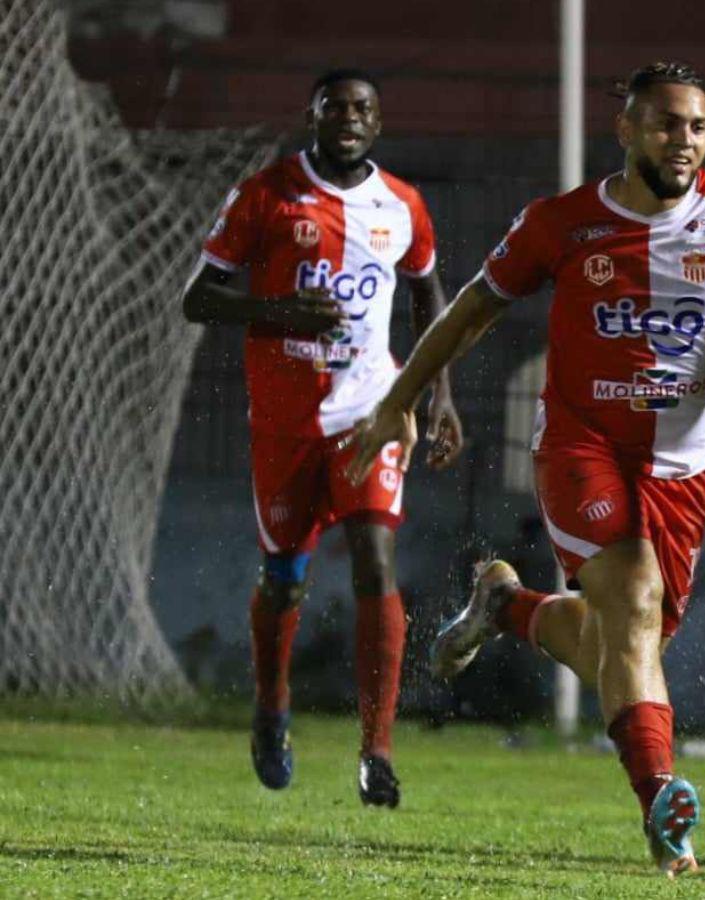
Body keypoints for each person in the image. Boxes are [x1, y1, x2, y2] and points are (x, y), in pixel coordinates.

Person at [349, 61, 705, 874]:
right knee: (635, 602)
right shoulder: (564, 222)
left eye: (695, 126)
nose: (681, 141)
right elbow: (473, 307)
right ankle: (662, 805)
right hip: (581, 448)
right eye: (664, 124)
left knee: (628, 644)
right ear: (625, 130)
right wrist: (402, 396)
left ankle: (507, 604)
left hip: (681, 470)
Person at [181, 68, 463, 808]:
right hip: (283, 423)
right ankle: (271, 708)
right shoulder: (266, 194)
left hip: (368, 411)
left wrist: (438, 393)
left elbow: (428, 288)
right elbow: (197, 297)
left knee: (375, 559)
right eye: (334, 106)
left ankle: (377, 751)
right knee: (285, 580)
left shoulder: (402, 204)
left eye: (363, 107)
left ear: (378, 122)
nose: (348, 117)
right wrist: (279, 312)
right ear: (312, 116)